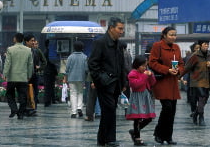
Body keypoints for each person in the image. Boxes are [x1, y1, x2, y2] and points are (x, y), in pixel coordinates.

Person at [88, 17, 126, 147]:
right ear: (111, 28)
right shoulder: (100, 42)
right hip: (105, 84)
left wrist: (123, 82)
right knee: (109, 109)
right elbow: (92, 63)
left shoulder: (119, 44)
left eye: (122, 29)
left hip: (116, 84)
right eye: (119, 29)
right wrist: (100, 79)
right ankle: (109, 139)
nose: (121, 32)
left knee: (109, 111)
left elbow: (121, 65)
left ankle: (103, 139)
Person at [149, 26, 184, 145]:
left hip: (173, 83)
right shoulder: (157, 46)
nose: (173, 37)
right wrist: (167, 69)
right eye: (171, 35)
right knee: (167, 108)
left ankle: (168, 136)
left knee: (172, 110)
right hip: (162, 82)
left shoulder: (177, 47)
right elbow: (152, 62)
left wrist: (178, 70)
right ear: (164, 35)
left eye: (175, 35)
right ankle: (158, 133)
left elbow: (181, 64)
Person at [182, 39, 210, 126]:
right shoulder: (195, 56)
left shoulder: (209, 54)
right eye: (205, 44)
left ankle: (196, 114)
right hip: (197, 80)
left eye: (208, 44)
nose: (206, 46)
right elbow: (187, 67)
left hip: (207, 80)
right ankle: (201, 117)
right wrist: (179, 77)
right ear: (200, 45)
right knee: (202, 97)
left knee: (205, 99)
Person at [126, 55, 156, 146]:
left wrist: (151, 76)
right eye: (142, 66)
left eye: (145, 66)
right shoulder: (132, 74)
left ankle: (134, 131)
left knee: (149, 117)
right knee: (138, 118)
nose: (144, 68)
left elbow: (152, 83)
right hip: (137, 97)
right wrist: (144, 76)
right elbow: (135, 85)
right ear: (137, 65)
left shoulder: (145, 73)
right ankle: (137, 138)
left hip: (145, 96)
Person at [3, 33, 33, 120]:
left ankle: (14, 109)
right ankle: (20, 113)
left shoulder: (10, 49)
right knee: (23, 96)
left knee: (9, 94)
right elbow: (30, 64)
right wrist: (29, 75)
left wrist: (5, 74)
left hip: (12, 77)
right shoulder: (28, 50)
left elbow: (8, 63)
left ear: (15, 39)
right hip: (23, 77)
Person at [64, 41, 88, 118]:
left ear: (74, 48)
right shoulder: (85, 57)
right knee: (80, 92)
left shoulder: (70, 57)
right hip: (81, 78)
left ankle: (73, 112)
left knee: (73, 93)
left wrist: (65, 77)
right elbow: (86, 69)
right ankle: (79, 108)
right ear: (82, 48)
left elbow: (67, 68)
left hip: (71, 78)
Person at [24, 34, 46, 115]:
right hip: (25, 75)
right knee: (25, 92)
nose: (33, 42)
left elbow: (44, 62)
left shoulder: (37, 51)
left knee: (35, 93)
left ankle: (33, 108)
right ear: (26, 42)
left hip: (34, 74)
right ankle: (25, 108)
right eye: (31, 41)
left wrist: (39, 68)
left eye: (34, 41)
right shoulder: (23, 51)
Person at [44, 39, 59, 107]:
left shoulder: (47, 51)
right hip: (50, 71)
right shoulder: (49, 52)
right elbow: (52, 62)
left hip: (48, 71)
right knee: (49, 87)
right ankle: (48, 101)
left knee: (50, 86)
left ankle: (51, 100)